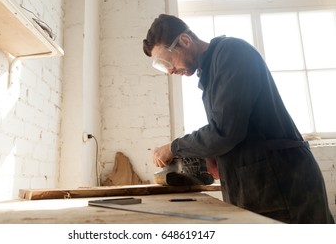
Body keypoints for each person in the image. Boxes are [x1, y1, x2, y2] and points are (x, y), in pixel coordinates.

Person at [142, 14, 334, 224]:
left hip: (283, 184)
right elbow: (230, 129)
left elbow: (225, 131)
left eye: (167, 61)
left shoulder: (231, 53)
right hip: (257, 185)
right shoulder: (209, 72)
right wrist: (215, 155)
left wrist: (174, 147)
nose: (169, 70)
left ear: (185, 41)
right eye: (162, 66)